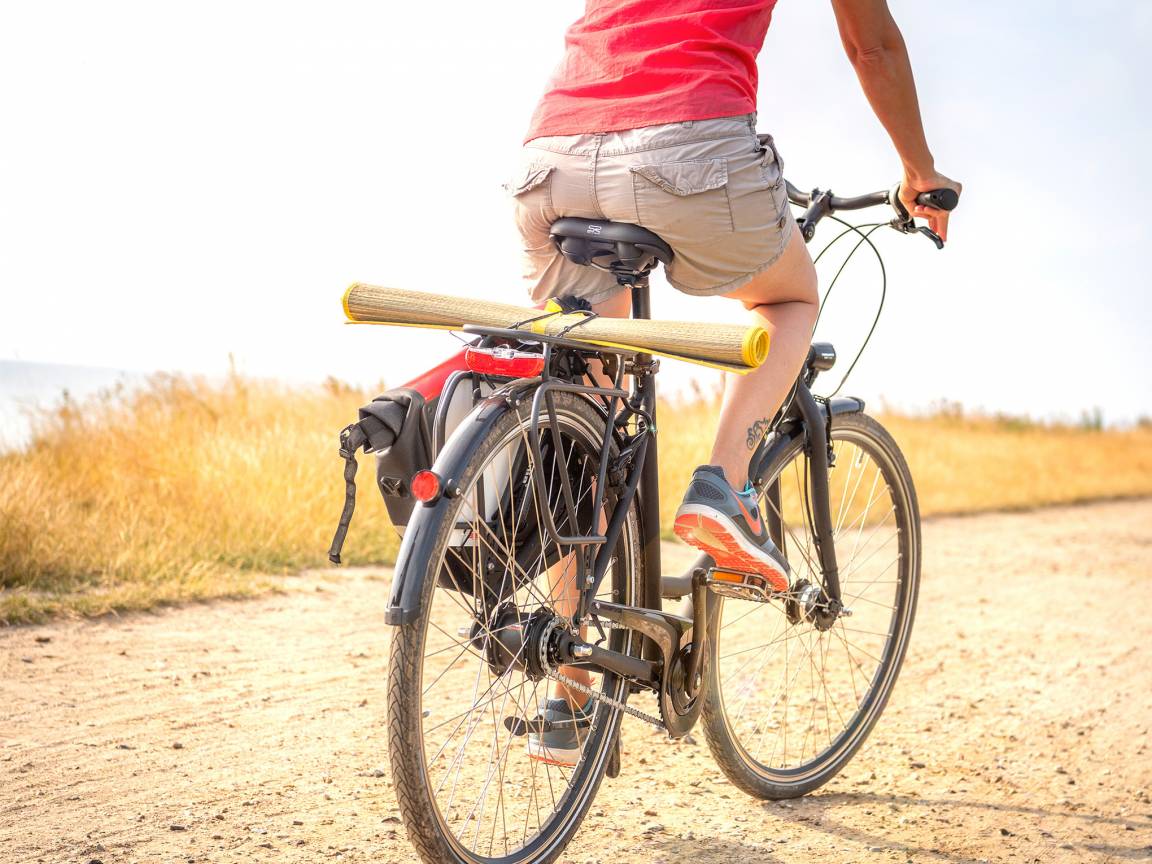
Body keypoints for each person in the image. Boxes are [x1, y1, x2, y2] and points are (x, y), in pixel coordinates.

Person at [509, 0, 961, 765]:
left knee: (587, 407)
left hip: (549, 161)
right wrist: (919, 171)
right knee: (789, 299)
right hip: (687, 149)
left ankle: (571, 689)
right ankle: (723, 483)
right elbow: (872, 46)